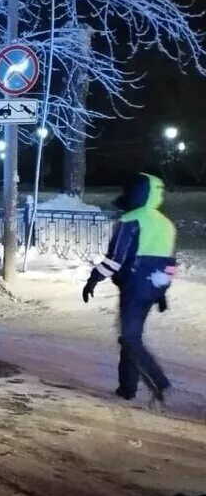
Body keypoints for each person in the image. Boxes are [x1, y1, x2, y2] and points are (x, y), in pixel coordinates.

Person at [82, 172, 177, 402]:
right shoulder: (167, 224)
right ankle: (127, 387)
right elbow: (171, 263)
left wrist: (93, 279)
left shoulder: (130, 220)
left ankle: (159, 382)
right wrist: (162, 292)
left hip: (134, 287)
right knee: (131, 335)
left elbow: (115, 259)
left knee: (129, 339)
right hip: (154, 285)